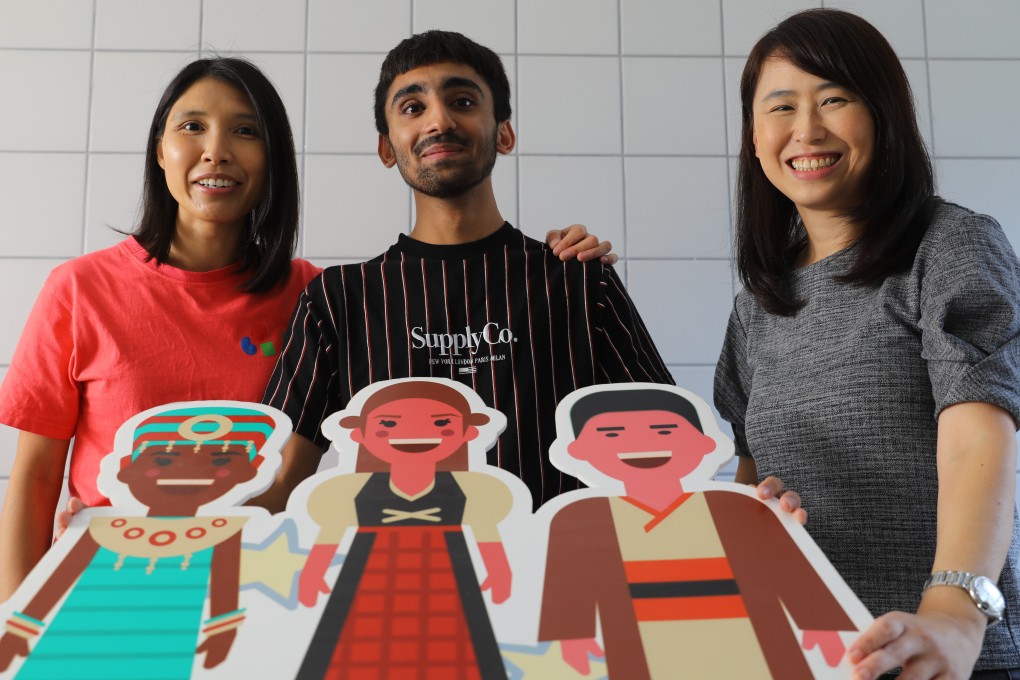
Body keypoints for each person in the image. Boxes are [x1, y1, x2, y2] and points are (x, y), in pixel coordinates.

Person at [0, 55, 609, 603]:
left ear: (273, 162)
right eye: (192, 127)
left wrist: (554, 264)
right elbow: (34, 475)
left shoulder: (314, 294)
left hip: (254, 586)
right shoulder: (79, 289)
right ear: (159, 150)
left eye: (246, 131)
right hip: (108, 578)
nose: (216, 151)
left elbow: (304, 470)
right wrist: (18, 620)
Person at [713, 8, 1020, 679]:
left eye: (834, 99)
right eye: (781, 107)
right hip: (801, 656)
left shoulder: (950, 247)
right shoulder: (757, 302)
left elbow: (978, 433)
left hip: (936, 655)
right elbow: (748, 472)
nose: (806, 130)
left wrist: (954, 613)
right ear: (755, 137)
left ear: (883, 115)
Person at [257, 30, 674, 514]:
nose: (439, 121)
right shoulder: (338, 298)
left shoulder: (579, 281)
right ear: (387, 148)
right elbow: (277, 478)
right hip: (396, 558)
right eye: (412, 108)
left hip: (556, 559)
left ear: (504, 133)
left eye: (462, 101)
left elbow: (673, 449)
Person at [539, 384, 857, 679]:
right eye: (611, 434)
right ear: (577, 450)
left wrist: (821, 625)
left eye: (665, 431)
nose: (642, 444)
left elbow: (786, 571)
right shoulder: (578, 517)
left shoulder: (734, 506)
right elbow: (568, 585)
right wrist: (572, 638)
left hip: (748, 640)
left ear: (706, 443)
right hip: (636, 641)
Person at [0, 404, 283, 677]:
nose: (180, 472)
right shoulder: (102, 529)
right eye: (163, 460)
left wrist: (222, 638)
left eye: (222, 461)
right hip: (86, 632)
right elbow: (56, 582)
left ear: (249, 472)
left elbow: (225, 595)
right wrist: (17, 629)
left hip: (180, 641)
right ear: (125, 470)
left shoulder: (223, 532)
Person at [295, 379, 513, 679]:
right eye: (387, 424)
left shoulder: (475, 487)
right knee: (356, 649)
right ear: (358, 433)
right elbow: (330, 533)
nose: (414, 433)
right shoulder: (346, 488)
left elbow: (486, 531)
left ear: (470, 431)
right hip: (367, 572)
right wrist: (312, 573)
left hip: (449, 571)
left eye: (441, 423)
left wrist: (500, 571)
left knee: (455, 649)